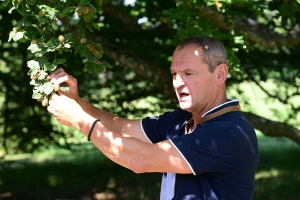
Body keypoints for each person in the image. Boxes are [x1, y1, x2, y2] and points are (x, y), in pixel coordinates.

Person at [47, 35, 259, 200]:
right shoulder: (181, 120)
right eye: (174, 74)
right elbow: (120, 127)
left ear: (220, 74)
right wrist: (77, 103)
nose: (177, 83)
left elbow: (139, 159)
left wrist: (81, 122)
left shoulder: (226, 133)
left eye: (189, 73)